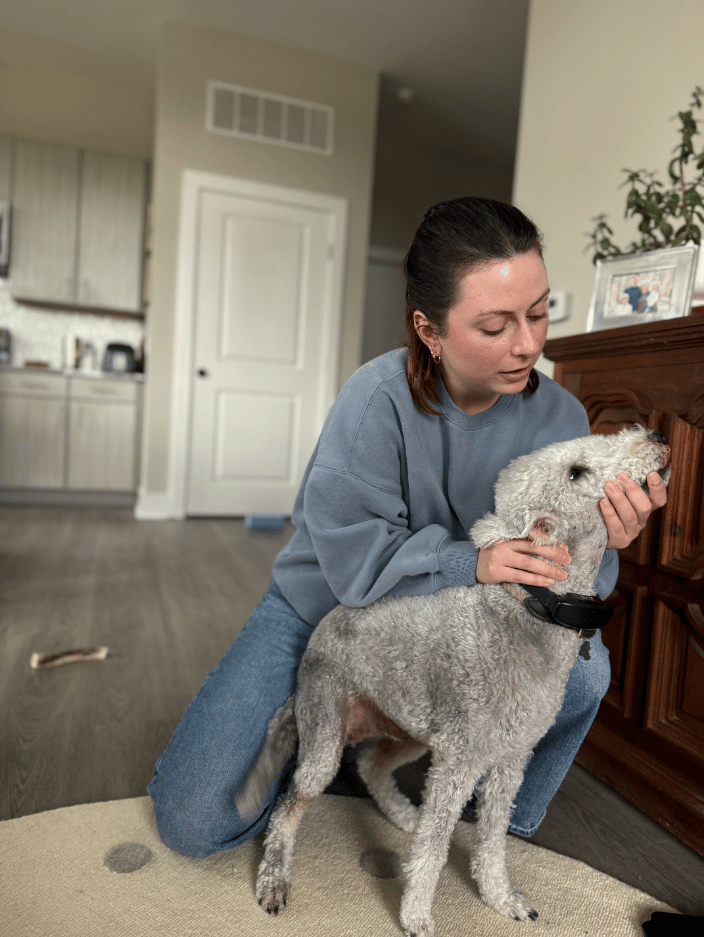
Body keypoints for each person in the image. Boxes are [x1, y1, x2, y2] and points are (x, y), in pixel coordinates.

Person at [149, 197, 667, 856]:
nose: (529, 343)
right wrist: (472, 562)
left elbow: (559, 585)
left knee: (584, 675)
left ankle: (492, 829)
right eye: (496, 324)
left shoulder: (561, 416)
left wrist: (603, 541)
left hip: (468, 627)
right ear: (429, 329)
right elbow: (352, 562)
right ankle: (335, 737)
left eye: (538, 312)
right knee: (194, 821)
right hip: (330, 612)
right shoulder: (375, 399)